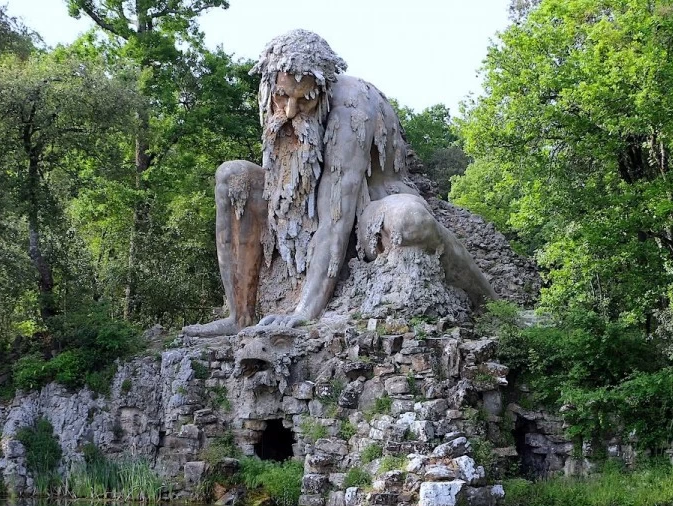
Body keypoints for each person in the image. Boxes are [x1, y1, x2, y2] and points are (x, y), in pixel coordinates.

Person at [183, 30, 496, 337]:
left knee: (409, 220)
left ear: (322, 86)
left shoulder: (350, 106)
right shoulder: (273, 104)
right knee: (231, 176)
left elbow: (336, 217)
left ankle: (492, 308)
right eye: (282, 97)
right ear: (270, 87)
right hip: (297, 215)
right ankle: (239, 316)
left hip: (367, 209)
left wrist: (305, 311)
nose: (290, 111)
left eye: (304, 100)